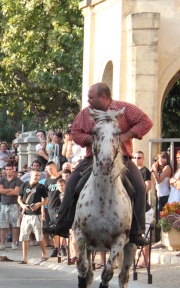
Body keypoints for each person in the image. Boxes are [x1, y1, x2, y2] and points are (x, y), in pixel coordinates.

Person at [44, 83, 151, 247]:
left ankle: (137, 231)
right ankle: (63, 224)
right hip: (92, 158)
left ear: (103, 97)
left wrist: (126, 135)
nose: (88, 100)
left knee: (140, 188)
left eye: (91, 97)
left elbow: (146, 122)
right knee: (72, 182)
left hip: (122, 158)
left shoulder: (125, 109)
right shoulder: (85, 114)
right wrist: (95, 139)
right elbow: (76, 134)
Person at [17, 172, 49, 264]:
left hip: (36, 214)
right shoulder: (24, 185)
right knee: (24, 236)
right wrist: (23, 205)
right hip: (26, 214)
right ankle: (24, 258)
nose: (37, 177)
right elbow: (19, 198)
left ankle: (44, 254)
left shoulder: (41, 187)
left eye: (38, 176)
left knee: (39, 236)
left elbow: (46, 200)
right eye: (35, 175)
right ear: (31, 175)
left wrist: (39, 204)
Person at [0, 162, 22, 249]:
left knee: (15, 225)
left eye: (10, 169)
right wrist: (10, 190)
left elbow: (16, 192)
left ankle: (14, 243)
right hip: (4, 204)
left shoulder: (17, 180)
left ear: (13, 170)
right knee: (3, 225)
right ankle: (2, 244)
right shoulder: (2, 180)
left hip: (14, 204)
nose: (8, 171)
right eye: (7, 169)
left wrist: (5, 191)